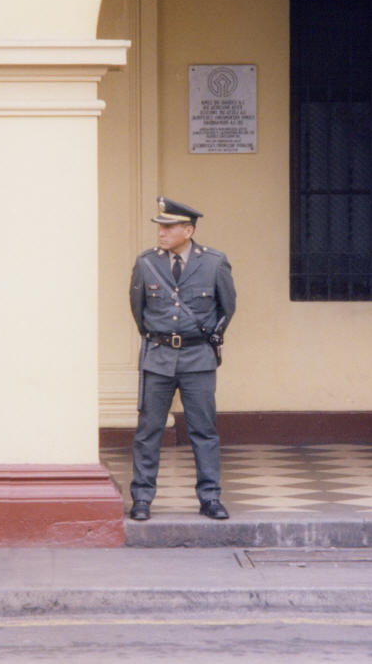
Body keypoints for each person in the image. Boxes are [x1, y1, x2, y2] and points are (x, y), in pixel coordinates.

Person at [128, 196, 236, 521]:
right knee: (149, 431)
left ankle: (210, 497)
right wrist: (159, 337)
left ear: (188, 231)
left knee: (204, 430)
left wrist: (206, 338)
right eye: (160, 227)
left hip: (197, 358)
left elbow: (227, 307)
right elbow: (138, 310)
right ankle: (142, 498)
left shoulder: (214, 262)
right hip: (158, 357)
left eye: (169, 227)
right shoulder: (146, 262)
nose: (161, 233)